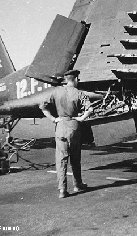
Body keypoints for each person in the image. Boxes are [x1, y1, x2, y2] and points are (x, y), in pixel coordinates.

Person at [40, 69, 93, 199]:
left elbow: (42, 106)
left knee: (61, 159)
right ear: (74, 79)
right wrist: (81, 118)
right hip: (73, 126)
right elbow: (90, 109)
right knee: (75, 158)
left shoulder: (56, 91)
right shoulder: (79, 93)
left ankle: (62, 190)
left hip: (60, 126)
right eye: (77, 79)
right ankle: (77, 184)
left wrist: (53, 119)